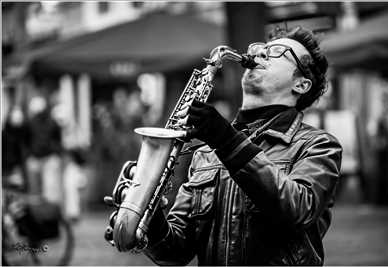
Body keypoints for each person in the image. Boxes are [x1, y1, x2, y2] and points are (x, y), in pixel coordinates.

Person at [136, 26, 342, 265]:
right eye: (260, 49)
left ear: (301, 85)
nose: (259, 54)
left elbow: (297, 209)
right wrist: (146, 214)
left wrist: (225, 139)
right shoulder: (206, 154)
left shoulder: (319, 146)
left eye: (276, 52)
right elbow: (175, 254)